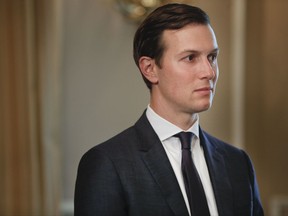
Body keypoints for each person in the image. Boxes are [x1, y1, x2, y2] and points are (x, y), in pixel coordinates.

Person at [74, 3, 264, 216]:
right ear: (150, 69)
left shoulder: (237, 163)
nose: (209, 72)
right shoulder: (107, 164)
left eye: (211, 57)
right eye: (190, 58)